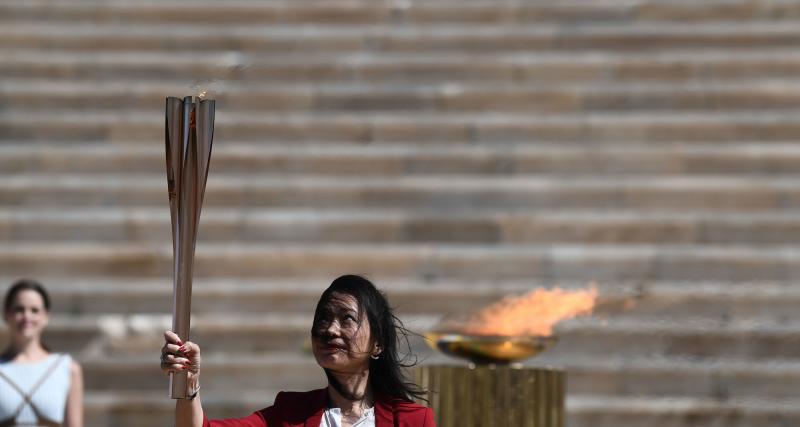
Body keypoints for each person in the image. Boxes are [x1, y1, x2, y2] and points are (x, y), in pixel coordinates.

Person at [161, 274, 435, 427]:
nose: (330, 330)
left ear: (378, 344)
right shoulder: (288, 414)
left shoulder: (412, 420)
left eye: (347, 319)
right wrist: (189, 380)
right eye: (323, 319)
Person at [0, 279, 83, 427]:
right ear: (6, 315)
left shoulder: (67, 368)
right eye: (19, 309)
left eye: (34, 310)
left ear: (46, 316)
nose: (27, 317)